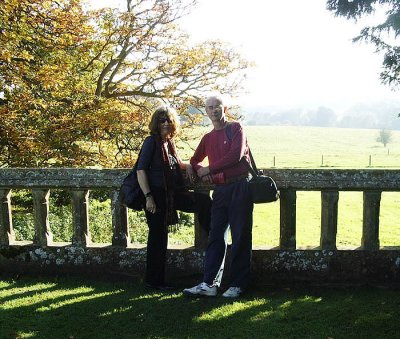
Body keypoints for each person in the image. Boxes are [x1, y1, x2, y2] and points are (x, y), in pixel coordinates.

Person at [183, 95, 253, 298]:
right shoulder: (208, 137)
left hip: (240, 187)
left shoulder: (236, 128)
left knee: (240, 236)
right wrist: (193, 167)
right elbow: (195, 159)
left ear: (225, 108)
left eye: (217, 107)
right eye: (210, 107)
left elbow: (236, 155)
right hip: (221, 191)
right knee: (215, 237)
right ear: (206, 111)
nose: (213, 110)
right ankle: (209, 284)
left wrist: (208, 169)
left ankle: (238, 284)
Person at [137, 105, 211, 291]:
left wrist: (193, 167)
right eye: (161, 120)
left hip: (171, 195)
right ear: (155, 123)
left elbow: (176, 165)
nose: (165, 123)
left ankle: (214, 239)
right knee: (157, 238)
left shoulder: (169, 143)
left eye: (169, 120)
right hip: (156, 196)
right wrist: (148, 197)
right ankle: (154, 281)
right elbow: (140, 170)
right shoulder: (151, 142)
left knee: (202, 202)